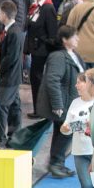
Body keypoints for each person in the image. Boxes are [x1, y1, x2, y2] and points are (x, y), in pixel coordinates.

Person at [36, 25, 83, 178]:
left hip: (71, 102)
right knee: (66, 131)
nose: (77, 39)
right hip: (64, 103)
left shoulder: (74, 55)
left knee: (63, 132)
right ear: (64, 39)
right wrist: (57, 105)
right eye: (74, 36)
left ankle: (58, 163)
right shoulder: (58, 56)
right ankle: (56, 163)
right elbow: (52, 81)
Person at [0, 1, 24, 147]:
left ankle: (1, 140)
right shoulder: (13, 31)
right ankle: (14, 136)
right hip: (13, 76)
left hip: (9, 77)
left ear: (5, 15)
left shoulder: (13, 33)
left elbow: (10, 57)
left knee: (2, 107)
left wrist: (0, 68)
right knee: (14, 106)